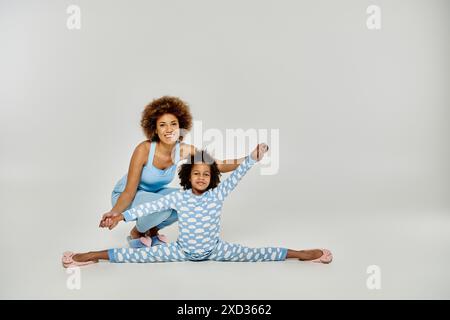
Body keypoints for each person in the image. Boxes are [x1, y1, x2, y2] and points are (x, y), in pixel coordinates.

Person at [62, 144, 333, 267]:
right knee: (133, 257)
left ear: (212, 177)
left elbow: (236, 175)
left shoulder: (218, 193)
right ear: (187, 176)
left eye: (206, 174)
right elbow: (143, 209)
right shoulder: (179, 197)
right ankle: (91, 255)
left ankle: (299, 253)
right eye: (196, 173)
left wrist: (253, 158)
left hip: (216, 249)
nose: (201, 177)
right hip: (181, 251)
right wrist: (121, 216)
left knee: (258, 253)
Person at [101, 96, 247, 247]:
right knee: (163, 206)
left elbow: (218, 165)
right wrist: (114, 213)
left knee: (188, 200)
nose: (169, 129)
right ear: (155, 129)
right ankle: (137, 233)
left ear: (180, 127)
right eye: (162, 125)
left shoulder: (183, 149)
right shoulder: (144, 149)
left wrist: (250, 159)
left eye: (173, 124)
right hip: (126, 196)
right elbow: (129, 192)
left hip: (154, 195)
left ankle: (150, 230)